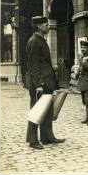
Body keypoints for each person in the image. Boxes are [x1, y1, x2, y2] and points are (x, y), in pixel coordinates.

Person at [25, 16, 65, 149]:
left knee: (47, 110)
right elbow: (33, 65)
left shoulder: (41, 40)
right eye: (46, 25)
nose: (48, 27)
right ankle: (32, 140)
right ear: (39, 27)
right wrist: (38, 84)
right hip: (40, 84)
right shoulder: (34, 41)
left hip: (47, 83)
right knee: (36, 111)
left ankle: (47, 137)